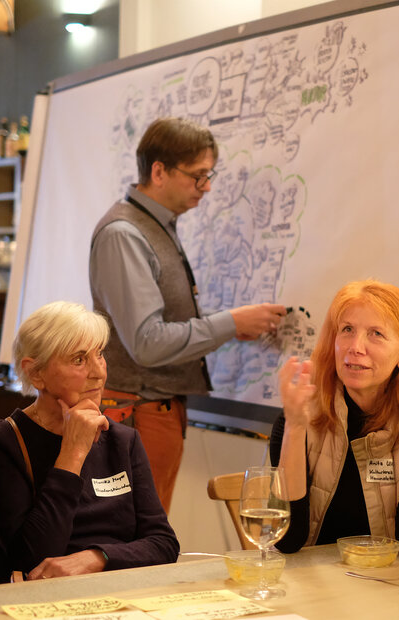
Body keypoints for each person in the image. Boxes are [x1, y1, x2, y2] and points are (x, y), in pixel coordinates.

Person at [89, 117, 287, 512]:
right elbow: (146, 342)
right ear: (159, 171)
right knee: (137, 541)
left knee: (147, 534)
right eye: (197, 176)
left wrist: (231, 327)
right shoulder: (125, 234)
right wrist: (230, 322)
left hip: (152, 411)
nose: (207, 187)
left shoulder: (154, 225)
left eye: (208, 175)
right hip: (138, 413)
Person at [0, 301, 179, 585]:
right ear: (36, 374)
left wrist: (96, 557)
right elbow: (30, 559)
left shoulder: (122, 439)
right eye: (79, 359)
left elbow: (164, 544)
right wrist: (73, 453)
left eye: (100, 354)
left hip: (109, 595)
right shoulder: (1, 442)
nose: (98, 372)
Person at [269, 279, 399, 554]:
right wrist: (295, 427)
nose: (356, 346)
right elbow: (287, 539)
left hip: (384, 584)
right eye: (347, 330)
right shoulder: (300, 417)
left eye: (376, 334)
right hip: (308, 584)